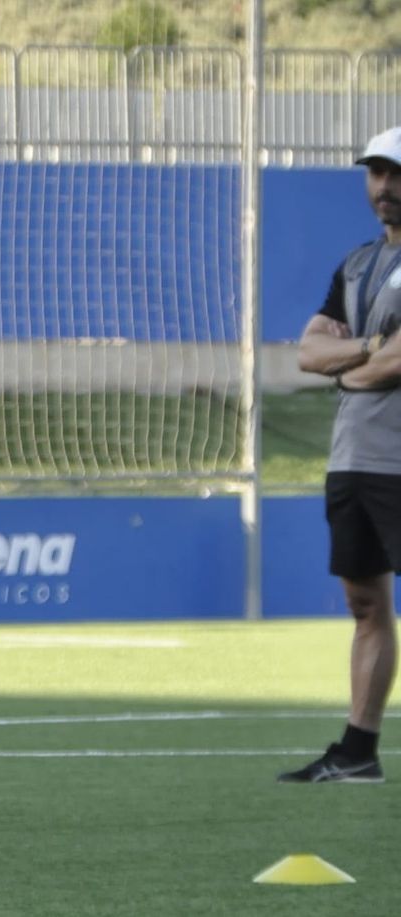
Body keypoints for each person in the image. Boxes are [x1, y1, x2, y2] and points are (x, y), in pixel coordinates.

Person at [281, 125, 401, 784]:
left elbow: (394, 365)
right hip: (355, 457)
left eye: (396, 174)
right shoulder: (356, 264)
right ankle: (359, 751)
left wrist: (353, 360)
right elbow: (307, 352)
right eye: (376, 173)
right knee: (365, 604)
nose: (385, 187)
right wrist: (364, 349)